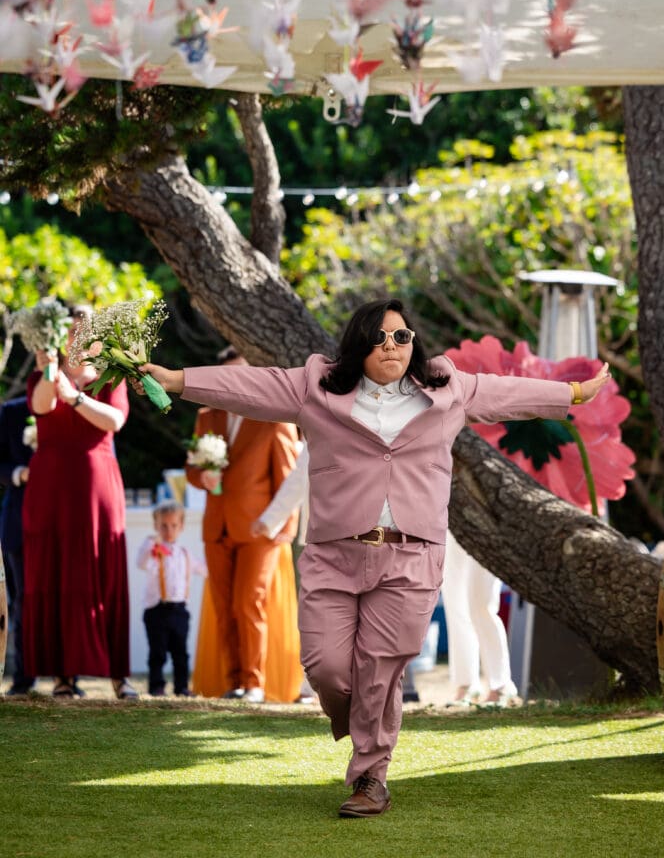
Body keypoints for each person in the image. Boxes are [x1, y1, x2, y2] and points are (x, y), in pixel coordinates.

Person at [139, 297, 610, 817]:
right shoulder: (315, 388)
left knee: (380, 670)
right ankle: (361, 722)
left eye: (402, 337)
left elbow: (507, 394)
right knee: (326, 666)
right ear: (358, 345)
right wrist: (178, 380)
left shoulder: (447, 388)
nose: (392, 346)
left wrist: (570, 393)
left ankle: (369, 777)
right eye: (381, 338)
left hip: (411, 557)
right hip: (333, 554)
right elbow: (250, 386)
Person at [22, 305, 137, 700]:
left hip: (98, 487)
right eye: (72, 331)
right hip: (51, 488)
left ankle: (119, 677)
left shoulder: (111, 377)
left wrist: (75, 398)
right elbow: (40, 407)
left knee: (101, 569)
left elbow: (114, 420)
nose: (79, 338)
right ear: (60, 335)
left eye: (86, 331)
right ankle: (62, 677)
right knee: (54, 571)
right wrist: (52, 372)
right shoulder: (45, 374)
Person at [185, 346, 299, 704]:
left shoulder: (275, 419)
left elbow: (290, 477)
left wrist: (285, 526)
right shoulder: (207, 417)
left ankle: (254, 683)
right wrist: (199, 476)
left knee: (249, 603)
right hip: (216, 526)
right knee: (223, 605)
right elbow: (191, 467)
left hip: (258, 530)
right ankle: (233, 682)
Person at [137, 500, 207, 697]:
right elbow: (141, 562)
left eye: (174, 525)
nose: (169, 530)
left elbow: (204, 569)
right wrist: (152, 543)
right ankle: (156, 686)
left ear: (181, 526)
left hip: (179, 610)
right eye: (163, 526)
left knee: (180, 652)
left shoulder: (185, 554)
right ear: (156, 526)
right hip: (156, 609)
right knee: (157, 652)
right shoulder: (152, 549)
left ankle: (181, 686)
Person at [442, 531, 517, 708]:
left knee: (481, 604)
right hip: (447, 521)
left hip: (484, 521)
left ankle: (501, 685)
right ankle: (466, 684)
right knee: (455, 604)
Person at [0, 395, 35, 695]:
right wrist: (18, 473)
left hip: (63, 520)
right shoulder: (11, 411)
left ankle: (67, 678)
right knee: (22, 599)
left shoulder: (72, 406)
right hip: (18, 519)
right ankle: (23, 678)